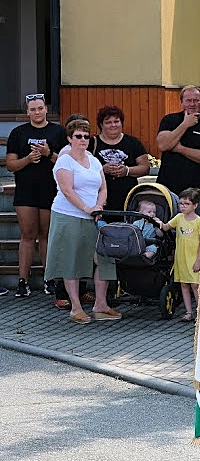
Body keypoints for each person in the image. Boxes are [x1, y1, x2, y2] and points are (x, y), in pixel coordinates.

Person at [43, 119, 121, 323]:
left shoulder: (94, 160)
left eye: (86, 136)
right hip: (68, 216)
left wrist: (99, 206)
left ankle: (101, 305)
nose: (83, 140)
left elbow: (103, 188)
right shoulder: (64, 160)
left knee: (103, 257)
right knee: (72, 260)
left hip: (93, 217)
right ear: (70, 138)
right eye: (78, 136)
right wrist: (88, 208)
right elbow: (67, 191)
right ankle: (75, 308)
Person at [5, 93, 67, 298]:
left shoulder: (58, 132)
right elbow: (11, 164)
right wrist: (29, 159)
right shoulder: (18, 133)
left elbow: (66, 164)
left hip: (51, 190)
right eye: (33, 109)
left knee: (46, 235)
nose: (37, 112)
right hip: (26, 190)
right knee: (27, 235)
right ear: (27, 112)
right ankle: (23, 280)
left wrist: (48, 154)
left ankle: (50, 278)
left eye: (40, 108)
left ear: (46, 109)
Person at [156, 86, 200, 207]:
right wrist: (185, 124)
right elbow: (163, 145)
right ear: (182, 102)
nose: (192, 104)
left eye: (196, 100)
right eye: (188, 100)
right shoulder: (169, 120)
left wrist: (180, 149)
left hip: (197, 193)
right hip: (168, 189)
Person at [91, 105, 150, 211]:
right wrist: (102, 169)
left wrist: (127, 170)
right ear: (101, 125)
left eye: (116, 121)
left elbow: (145, 167)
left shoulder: (133, 143)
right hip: (98, 200)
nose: (113, 125)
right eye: (108, 122)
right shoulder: (91, 143)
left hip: (128, 200)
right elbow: (81, 167)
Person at [161, 188, 200, 322]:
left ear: (195, 205)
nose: (183, 207)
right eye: (181, 204)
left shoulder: (199, 222)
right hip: (181, 258)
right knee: (184, 285)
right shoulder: (179, 218)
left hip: (193, 258)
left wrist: (199, 260)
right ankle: (188, 312)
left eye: (186, 204)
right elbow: (165, 227)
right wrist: (156, 221)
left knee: (195, 285)